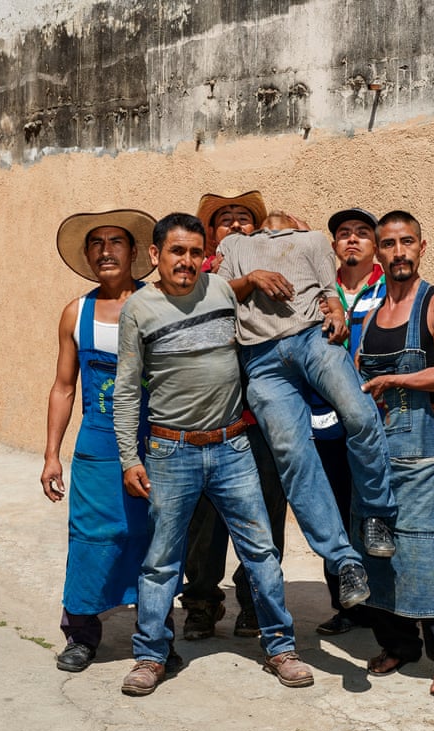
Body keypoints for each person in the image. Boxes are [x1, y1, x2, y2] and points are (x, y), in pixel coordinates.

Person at [113, 212, 311, 696]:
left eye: (194, 252)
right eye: (176, 252)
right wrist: (128, 458)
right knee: (161, 561)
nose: (186, 261)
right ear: (156, 255)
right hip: (169, 450)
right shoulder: (138, 310)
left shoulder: (221, 292)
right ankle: (150, 656)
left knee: (261, 552)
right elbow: (125, 391)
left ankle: (280, 647)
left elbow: (248, 286)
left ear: (206, 256)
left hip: (232, 448)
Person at [216, 207, 399, 614]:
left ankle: (377, 513)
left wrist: (334, 309)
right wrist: (252, 279)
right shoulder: (235, 245)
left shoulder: (314, 239)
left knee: (359, 414)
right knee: (293, 458)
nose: (278, 214)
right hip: (260, 359)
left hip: (312, 340)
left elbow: (329, 289)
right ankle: (344, 560)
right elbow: (217, 295)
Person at [41, 208, 175, 673]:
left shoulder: (160, 302)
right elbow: (63, 387)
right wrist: (51, 456)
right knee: (91, 536)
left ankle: (157, 636)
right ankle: (81, 635)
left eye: (116, 241)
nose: (106, 250)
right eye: (96, 243)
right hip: (96, 442)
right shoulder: (75, 314)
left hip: (157, 441)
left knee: (155, 539)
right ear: (87, 255)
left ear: (135, 253)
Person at [356, 210, 434, 696]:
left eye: (407, 242)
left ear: (422, 247)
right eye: (388, 244)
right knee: (377, 549)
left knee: (428, 548)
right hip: (376, 451)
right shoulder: (370, 312)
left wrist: (398, 379)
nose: (398, 252)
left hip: (423, 450)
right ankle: (399, 643)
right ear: (378, 252)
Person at [179, 190, 286, 641]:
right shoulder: (198, 275)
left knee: (263, 515)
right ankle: (202, 601)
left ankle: (255, 602)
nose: (238, 226)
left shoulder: (276, 269)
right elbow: (203, 302)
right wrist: (251, 278)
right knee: (202, 523)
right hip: (206, 421)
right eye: (227, 220)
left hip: (259, 420)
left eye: (246, 219)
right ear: (211, 234)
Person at [313, 208, 386, 636]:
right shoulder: (322, 292)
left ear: (374, 244)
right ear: (334, 245)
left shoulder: (391, 288)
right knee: (334, 512)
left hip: (376, 420)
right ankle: (346, 605)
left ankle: (384, 606)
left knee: (375, 513)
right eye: (344, 234)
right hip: (325, 422)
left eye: (362, 233)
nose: (353, 240)